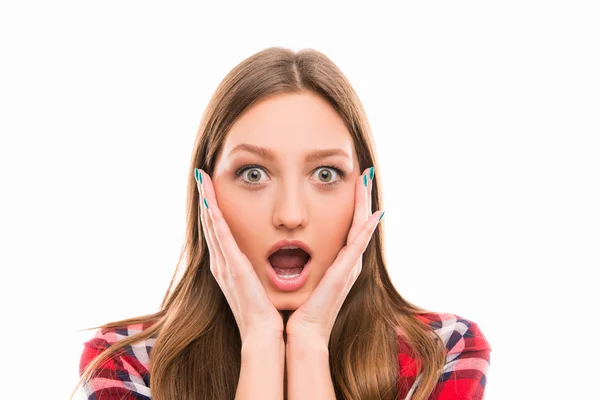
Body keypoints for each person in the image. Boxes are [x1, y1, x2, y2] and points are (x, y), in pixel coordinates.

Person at [73, 46, 491, 400]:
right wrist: (260, 342)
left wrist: (308, 342)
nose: (290, 215)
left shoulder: (443, 351)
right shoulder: (125, 363)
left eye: (325, 174)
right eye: (253, 174)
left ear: (364, 192)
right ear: (206, 193)